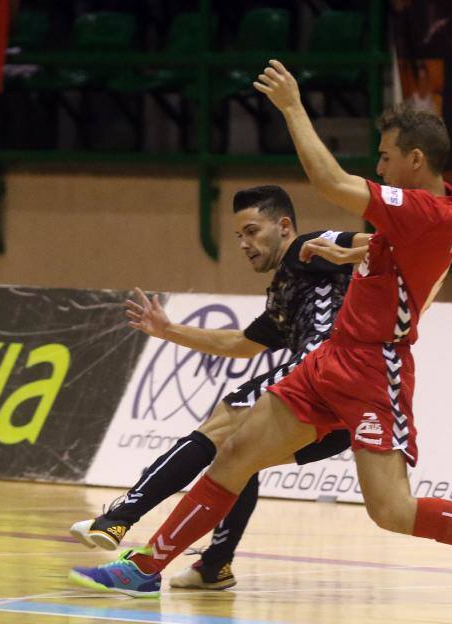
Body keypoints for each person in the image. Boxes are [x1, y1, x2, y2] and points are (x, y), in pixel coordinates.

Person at [68, 61, 452, 606]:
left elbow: (330, 183)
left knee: (392, 512)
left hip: (376, 371)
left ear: (415, 160)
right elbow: (392, 252)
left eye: (384, 155)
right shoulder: (428, 208)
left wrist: (292, 107)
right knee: (235, 452)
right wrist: (349, 249)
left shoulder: (426, 209)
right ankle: (146, 566)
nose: (377, 164)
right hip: (330, 361)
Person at [69, 184, 367, 589]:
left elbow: (381, 243)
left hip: (321, 373)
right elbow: (242, 344)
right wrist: (169, 330)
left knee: (221, 421)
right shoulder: (284, 291)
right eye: (239, 236)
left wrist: (355, 252)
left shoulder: (308, 249)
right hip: (349, 410)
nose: (244, 243)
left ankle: (119, 519)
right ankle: (214, 565)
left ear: (283, 226)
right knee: (241, 460)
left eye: (252, 231)